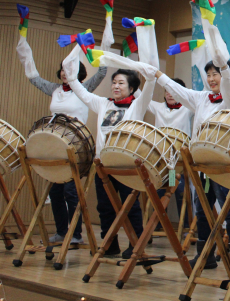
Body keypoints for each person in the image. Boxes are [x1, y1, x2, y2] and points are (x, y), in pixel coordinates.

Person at [152, 60, 230, 269]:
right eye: (209, 74)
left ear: (226, 76)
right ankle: (206, 256)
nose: (212, 79)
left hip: (224, 165)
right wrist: (158, 74)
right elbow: (177, 90)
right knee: (202, 210)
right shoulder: (201, 98)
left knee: (229, 210)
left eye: (216, 74)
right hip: (199, 166)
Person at [62, 47, 155, 259]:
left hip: (127, 165)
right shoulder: (103, 104)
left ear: (132, 89)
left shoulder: (138, 106)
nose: (115, 86)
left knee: (130, 207)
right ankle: (109, 243)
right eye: (114, 82)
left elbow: (150, 84)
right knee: (105, 206)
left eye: (121, 83)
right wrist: (77, 48)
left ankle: (136, 244)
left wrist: (148, 72)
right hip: (103, 165)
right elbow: (78, 88)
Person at [17, 39, 107, 245]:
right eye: (63, 70)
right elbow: (34, 78)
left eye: (70, 69)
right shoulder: (55, 89)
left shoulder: (84, 89)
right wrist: (24, 47)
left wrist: (94, 47)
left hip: (75, 146)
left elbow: (102, 73)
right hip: (55, 145)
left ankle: (75, 235)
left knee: (70, 191)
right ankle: (60, 231)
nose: (65, 73)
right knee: (55, 191)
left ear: (79, 73)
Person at [147, 78, 193, 230]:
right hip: (161, 161)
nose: (170, 94)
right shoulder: (158, 107)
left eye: (174, 91)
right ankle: (158, 225)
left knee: (180, 191)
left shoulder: (188, 109)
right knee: (159, 190)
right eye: (167, 91)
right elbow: (142, 96)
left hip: (178, 164)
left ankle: (185, 227)